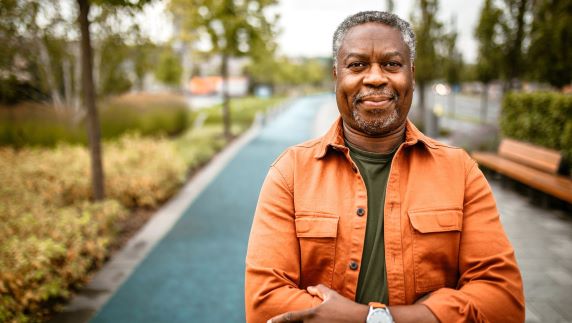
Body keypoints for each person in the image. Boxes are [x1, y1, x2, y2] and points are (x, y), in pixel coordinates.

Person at [245, 11, 524, 323]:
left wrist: (370, 318)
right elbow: (264, 304)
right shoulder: (290, 173)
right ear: (337, 76)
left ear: (411, 75)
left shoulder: (460, 171)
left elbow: (504, 302)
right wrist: (431, 314)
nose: (375, 77)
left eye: (391, 64)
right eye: (357, 65)